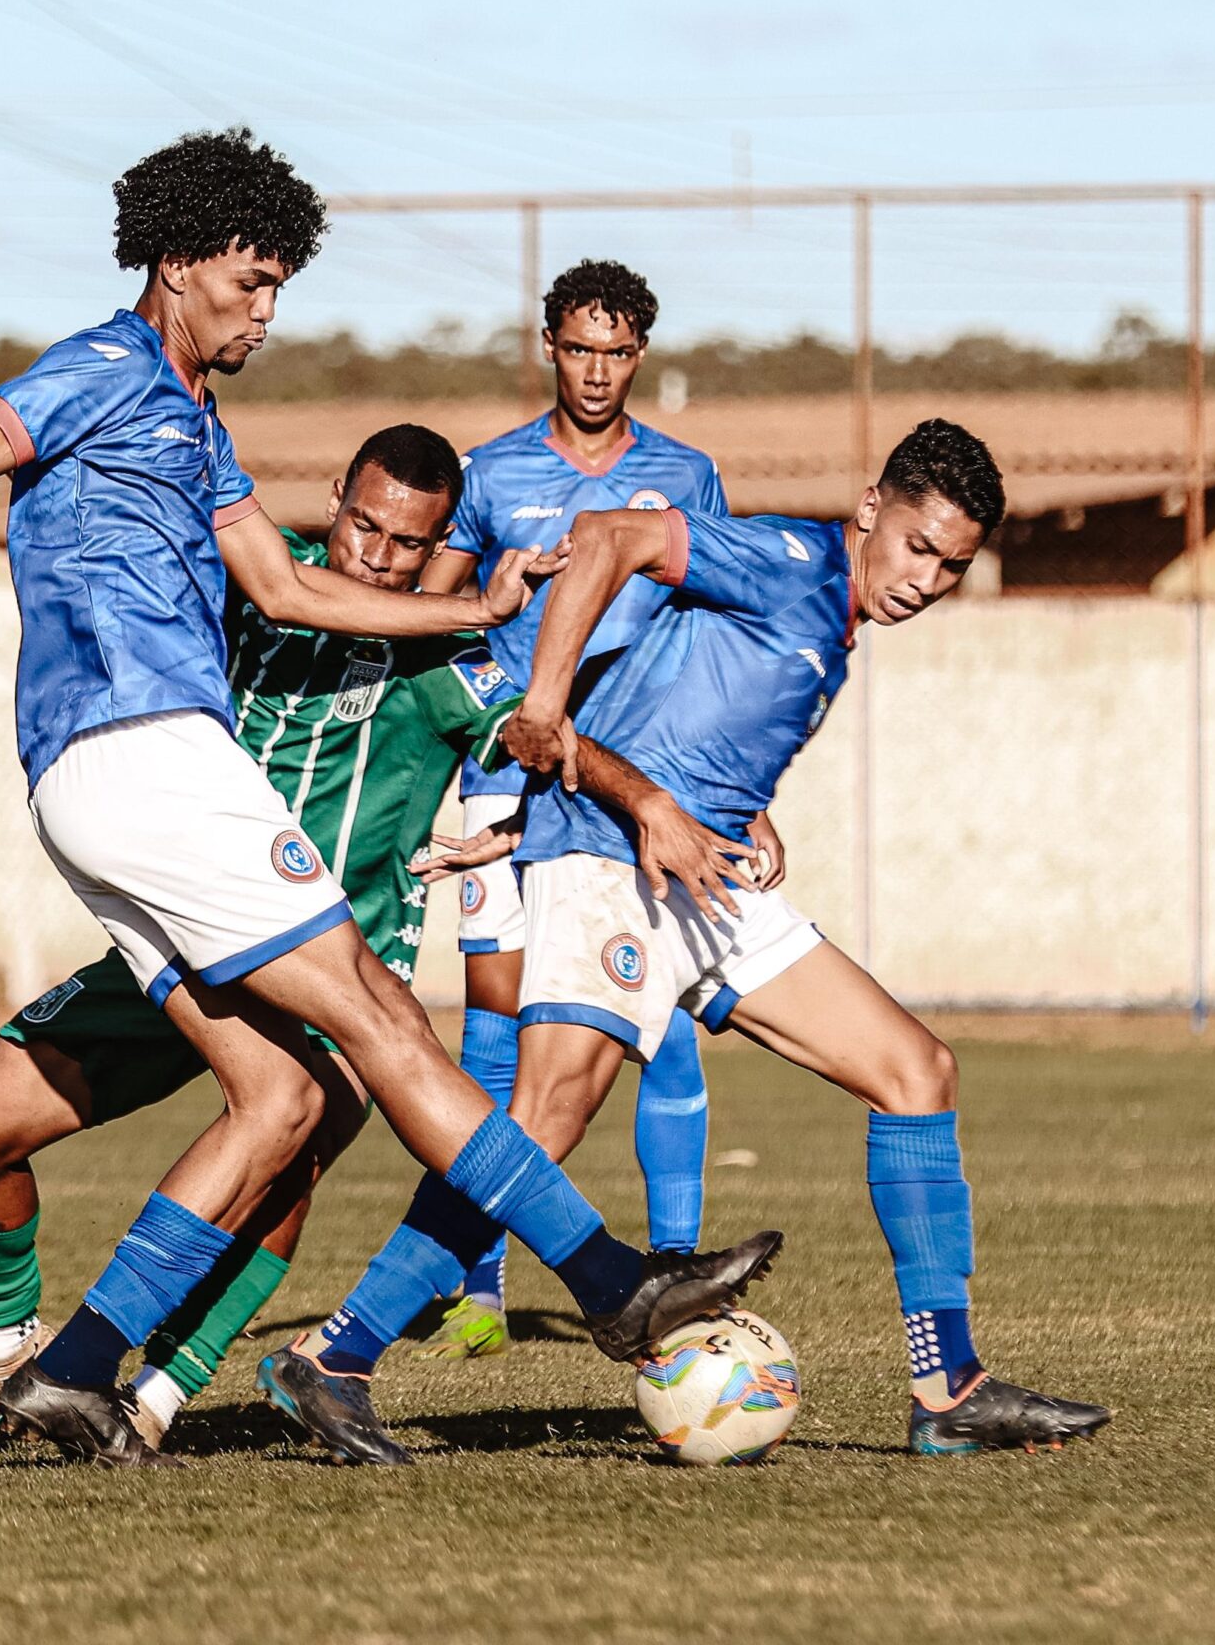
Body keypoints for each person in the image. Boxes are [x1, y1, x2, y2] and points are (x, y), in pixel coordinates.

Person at [0, 129, 778, 1466]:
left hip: (102, 782)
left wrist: (471, 609)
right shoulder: (104, 363)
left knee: (278, 1093)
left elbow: (285, 590)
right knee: (385, 1020)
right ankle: (616, 1287)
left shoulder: (193, 425)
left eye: (281, 285)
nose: (267, 311)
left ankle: (83, 1370)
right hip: (149, 751)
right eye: (251, 280)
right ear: (176, 260)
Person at [263, 420, 1112, 1462]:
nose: (926, 577)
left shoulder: (828, 618)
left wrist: (739, 806)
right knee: (542, 1117)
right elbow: (609, 534)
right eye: (915, 545)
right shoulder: (794, 557)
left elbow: (673, 691)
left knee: (914, 1067)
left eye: (951, 563)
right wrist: (540, 711)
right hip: (613, 859)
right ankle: (337, 1352)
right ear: (867, 510)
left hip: (701, 875)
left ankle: (949, 1385)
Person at [0, 392, 529, 1456]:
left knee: (282, 1160)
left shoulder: (445, 649)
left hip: (334, 973)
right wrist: (2, 427)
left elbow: (536, 733)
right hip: (178, 938)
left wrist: (532, 811)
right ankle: (0, 1349)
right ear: (335, 500)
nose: (378, 556)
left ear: (439, 544)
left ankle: (152, 1396)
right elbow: (120, 516)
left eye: (410, 543)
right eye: (365, 525)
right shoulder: (257, 576)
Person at [413, 259, 738, 1360]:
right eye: (579, 347)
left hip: (640, 777)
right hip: (511, 771)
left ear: (637, 353)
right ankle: (481, 1288)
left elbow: (714, 623)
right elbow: (425, 612)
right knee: (495, 1029)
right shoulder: (492, 471)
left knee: (669, 1026)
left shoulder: (686, 473)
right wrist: (492, 587)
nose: (597, 369)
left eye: (617, 350)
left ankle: (681, 1270)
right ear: (547, 344)